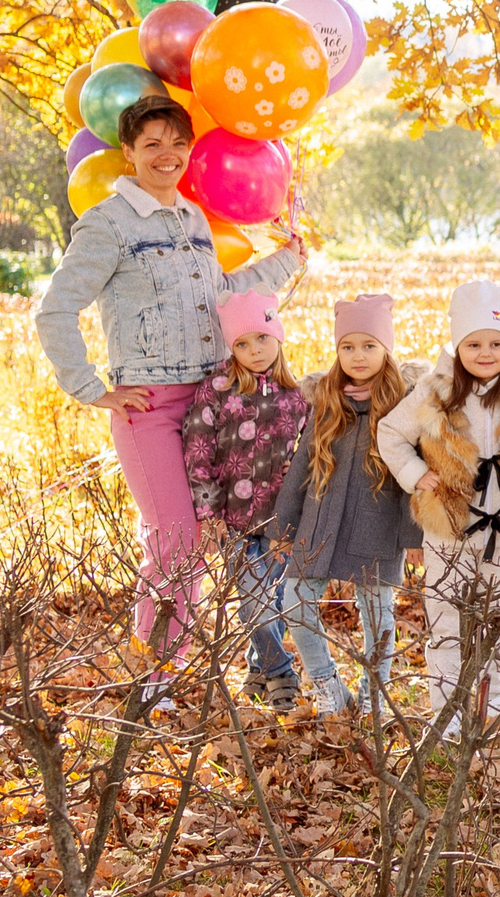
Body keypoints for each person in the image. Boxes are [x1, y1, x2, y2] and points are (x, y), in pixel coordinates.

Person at [33, 92, 303, 666]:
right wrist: (88, 387)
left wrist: (289, 258)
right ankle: (154, 671)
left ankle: (192, 666)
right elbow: (54, 309)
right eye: (152, 143)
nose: (168, 154)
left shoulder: (191, 217)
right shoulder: (106, 223)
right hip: (149, 407)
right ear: (128, 152)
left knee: (213, 542)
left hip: (213, 405)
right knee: (175, 540)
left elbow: (219, 293)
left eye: (178, 143)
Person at [377, 280, 500, 728]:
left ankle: (491, 707)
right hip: (448, 532)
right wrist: (416, 475)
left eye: (495, 342)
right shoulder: (435, 392)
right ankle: (446, 714)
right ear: (458, 345)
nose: (485, 352)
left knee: (496, 620)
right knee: (448, 621)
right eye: (473, 343)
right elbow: (390, 434)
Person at [268, 294, 419, 716]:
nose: (358, 356)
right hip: (320, 525)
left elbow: (413, 474)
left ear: (386, 348)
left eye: (369, 346)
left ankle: (375, 698)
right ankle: (328, 687)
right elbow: (301, 467)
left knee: (377, 619)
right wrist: (283, 528)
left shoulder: (403, 402)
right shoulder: (327, 400)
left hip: (377, 527)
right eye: (347, 347)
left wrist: (413, 536)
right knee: (295, 600)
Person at [178, 289, 310, 706]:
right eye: (242, 343)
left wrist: (299, 478)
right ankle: (282, 674)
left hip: (281, 522)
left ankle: (258, 670)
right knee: (252, 605)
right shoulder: (216, 390)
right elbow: (197, 452)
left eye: (262, 338)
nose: (255, 350)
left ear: (278, 337)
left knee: (272, 603)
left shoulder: (297, 396)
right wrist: (209, 512)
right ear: (231, 347)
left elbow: (310, 455)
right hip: (233, 522)